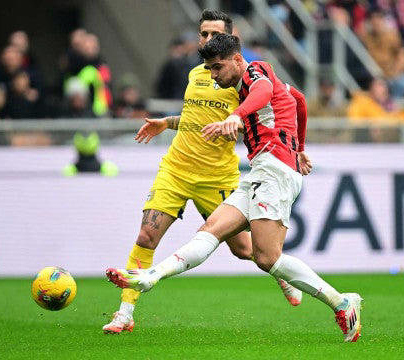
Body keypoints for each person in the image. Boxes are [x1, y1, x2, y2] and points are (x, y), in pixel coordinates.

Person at [106, 33, 363, 343]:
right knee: (211, 230)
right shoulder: (241, 88)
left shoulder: (257, 70)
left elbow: (265, 92)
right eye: (209, 69)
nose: (214, 76)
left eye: (217, 68)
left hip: (276, 171)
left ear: (237, 60)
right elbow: (298, 99)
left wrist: (239, 117)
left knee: (267, 258)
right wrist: (300, 146)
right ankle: (151, 276)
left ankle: (341, 302)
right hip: (261, 172)